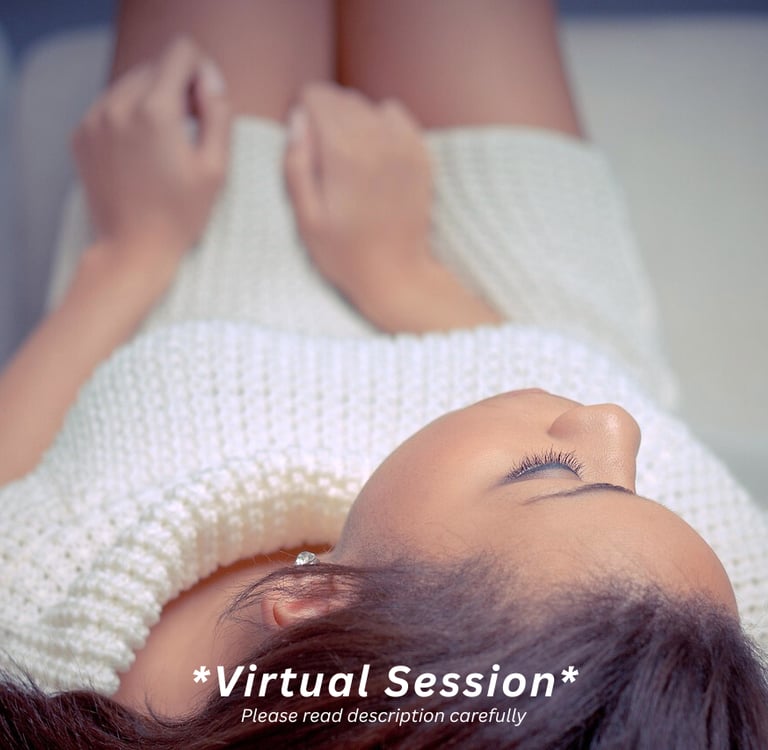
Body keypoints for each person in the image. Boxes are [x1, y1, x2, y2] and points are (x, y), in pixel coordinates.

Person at [0, 1, 766, 747]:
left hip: (180, 281)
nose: (614, 426)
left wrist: (128, 254)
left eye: (552, 471)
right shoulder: (710, 686)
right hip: (507, 309)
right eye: (639, 491)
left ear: (313, 597)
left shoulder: (63, 658)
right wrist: (405, 276)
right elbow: (598, 382)